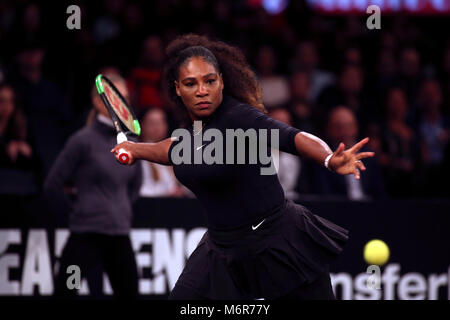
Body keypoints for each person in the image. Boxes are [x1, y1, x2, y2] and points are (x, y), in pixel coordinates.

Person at [111, 34, 374, 300]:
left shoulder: (241, 118)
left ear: (221, 82)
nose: (202, 90)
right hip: (221, 247)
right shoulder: (190, 132)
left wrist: (329, 159)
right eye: (191, 83)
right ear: (178, 88)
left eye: (209, 81)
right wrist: (135, 149)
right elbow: (172, 149)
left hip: (277, 241)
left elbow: (291, 136)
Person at [44, 74, 142, 299]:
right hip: (85, 240)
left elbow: (135, 186)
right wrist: (78, 212)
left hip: (119, 238)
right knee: (67, 291)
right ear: (98, 101)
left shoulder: (133, 144)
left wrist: (120, 209)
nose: (121, 104)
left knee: (129, 294)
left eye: (125, 98)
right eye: (115, 98)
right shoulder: (82, 140)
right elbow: (52, 185)